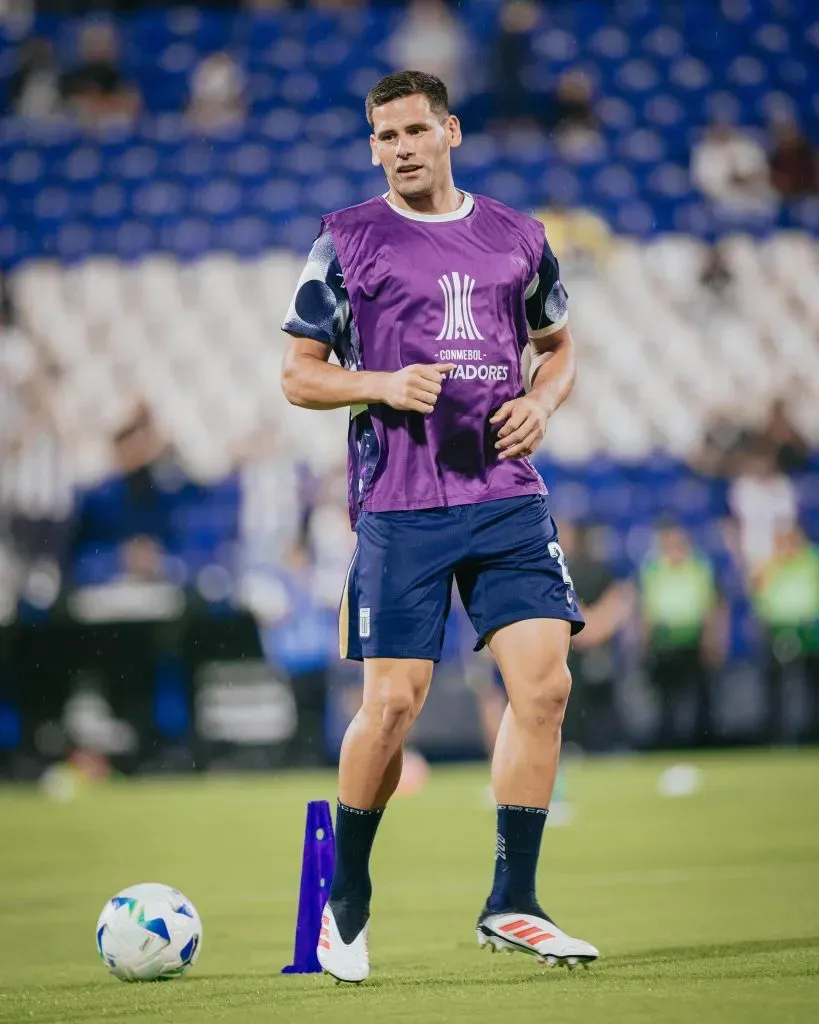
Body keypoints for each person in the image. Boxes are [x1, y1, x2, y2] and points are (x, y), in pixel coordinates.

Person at [281, 70, 597, 983]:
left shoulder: (517, 237)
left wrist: (541, 403)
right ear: (371, 146)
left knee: (544, 688)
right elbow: (299, 374)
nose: (401, 148)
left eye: (415, 130)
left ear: (450, 131)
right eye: (385, 136)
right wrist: (379, 383)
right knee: (391, 707)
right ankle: (345, 901)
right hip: (400, 501)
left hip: (504, 495)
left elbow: (558, 348)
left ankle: (514, 902)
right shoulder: (345, 240)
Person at [639, 523, 722, 748]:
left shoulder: (698, 567)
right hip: (664, 639)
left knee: (698, 696)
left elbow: (710, 604)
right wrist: (645, 640)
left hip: (693, 637)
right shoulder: (654, 569)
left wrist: (711, 638)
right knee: (666, 697)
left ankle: (701, 742)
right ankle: (667, 742)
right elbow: (647, 607)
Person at [751, 525, 819, 743]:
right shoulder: (770, 564)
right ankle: (778, 736)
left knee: (813, 684)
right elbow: (758, 592)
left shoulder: (812, 561)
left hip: (809, 628)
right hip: (778, 628)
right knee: (777, 686)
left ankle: (813, 732)